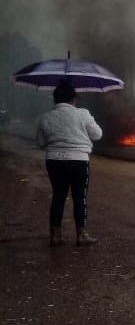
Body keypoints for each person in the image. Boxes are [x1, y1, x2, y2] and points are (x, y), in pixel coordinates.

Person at [35, 80, 103, 246]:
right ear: (74, 99)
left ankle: (55, 235)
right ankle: (81, 235)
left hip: (54, 161)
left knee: (58, 196)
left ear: (55, 99)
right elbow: (97, 135)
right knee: (79, 197)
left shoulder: (45, 117)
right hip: (78, 161)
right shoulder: (83, 113)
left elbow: (40, 142)